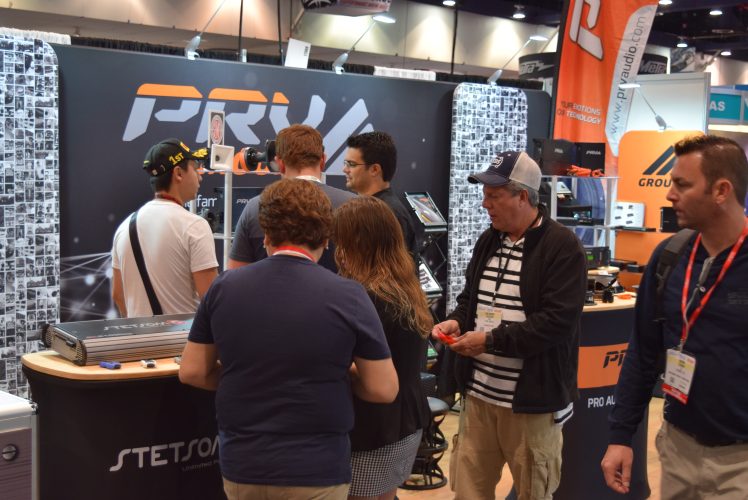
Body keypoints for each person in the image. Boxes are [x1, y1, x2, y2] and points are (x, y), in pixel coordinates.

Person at [179, 178, 399, 500]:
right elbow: (383, 388)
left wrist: (249, 374)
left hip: (244, 465)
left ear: (266, 235)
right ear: (326, 238)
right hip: (317, 469)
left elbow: (192, 371)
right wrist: (336, 376)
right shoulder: (349, 295)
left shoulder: (224, 288)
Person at [433, 151, 587, 500]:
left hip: (533, 406)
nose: (485, 204)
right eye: (485, 195)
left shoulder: (562, 247)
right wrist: (456, 321)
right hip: (479, 398)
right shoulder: (489, 239)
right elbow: (470, 298)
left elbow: (556, 323)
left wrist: (489, 341)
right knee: (469, 493)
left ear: (523, 196)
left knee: (534, 492)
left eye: (494, 195)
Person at [602, 135, 748, 499]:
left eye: (682, 184)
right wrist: (621, 436)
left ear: (721, 191)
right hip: (677, 448)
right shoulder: (670, 256)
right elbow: (643, 351)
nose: (669, 194)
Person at [333, 197, 432, 500]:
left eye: (341, 241)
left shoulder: (366, 298)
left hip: (373, 429)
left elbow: (368, 374)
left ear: (357, 243)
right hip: (406, 422)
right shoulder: (405, 288)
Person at [111, 138, 218, 317]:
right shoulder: (194, 226)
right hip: (184, 335)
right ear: (178, 173)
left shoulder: (124, 228)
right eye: (194, 168)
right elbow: (212, 300)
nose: (200, 176)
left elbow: (118, 295)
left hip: (135, 334)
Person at [228, 124, 355, 272]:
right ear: (322, 161)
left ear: (280, 164)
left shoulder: (254, 208)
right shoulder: (354, 206)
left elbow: (235, 274)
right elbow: (368, 274)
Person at [343, 131, 419, 264]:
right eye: (345, 163)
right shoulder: (370, 208)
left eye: (352, 164)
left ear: (374, 169)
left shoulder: (390, 214)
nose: (345, 169)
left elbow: (393, 271)